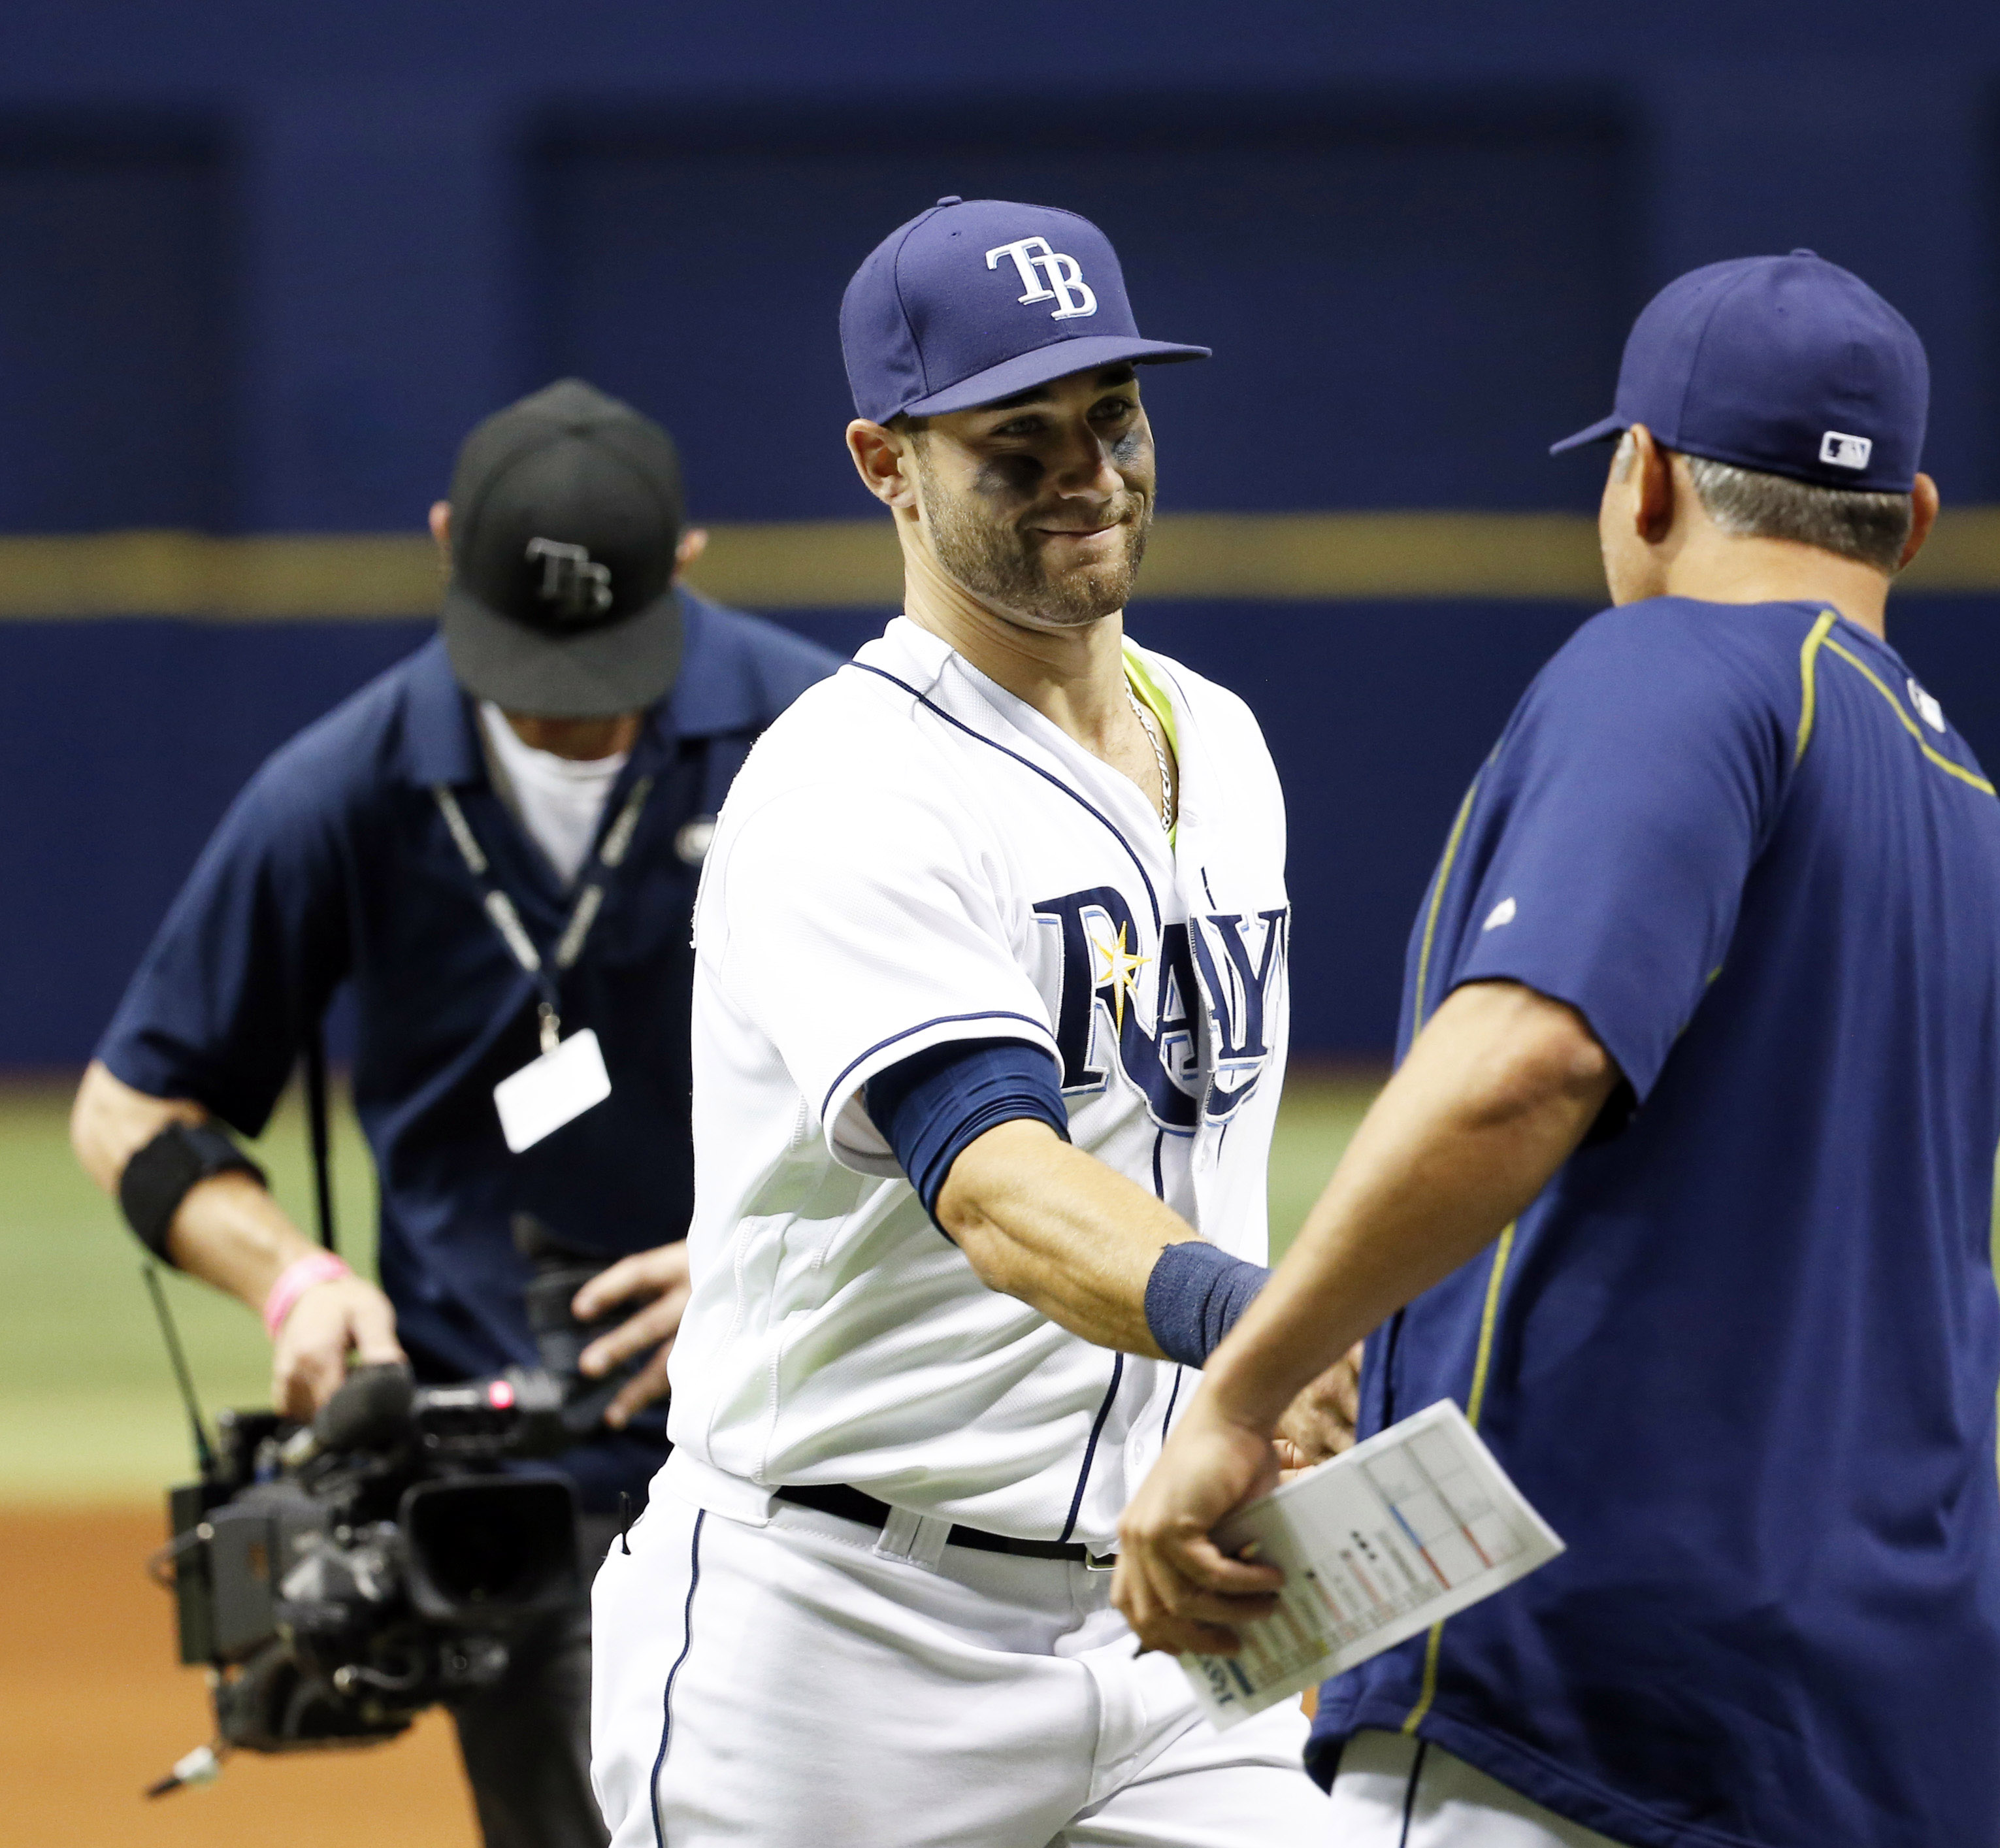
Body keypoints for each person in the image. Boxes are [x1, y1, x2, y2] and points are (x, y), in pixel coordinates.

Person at [1115, 251, 2000, 1848]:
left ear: (1648, 477)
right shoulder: (1979, 826)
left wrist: (1243, 1385)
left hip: (1596, 1688)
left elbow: (1520, 1064)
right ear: (1913, 516)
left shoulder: (1672, 667)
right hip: (1889, 1712)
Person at [587, 197, 1336, 1847]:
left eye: (1113, 416)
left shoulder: (1224, 744)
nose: (1090, 471)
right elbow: (994, 1175)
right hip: (836, 1644)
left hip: (1162, 1634)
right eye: (1020, 441)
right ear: (886, 463)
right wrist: (1258, 1329)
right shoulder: (849, 779)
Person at [69, 378, 840, 1848]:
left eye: (603, 658)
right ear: (439, 548)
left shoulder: (824, 744)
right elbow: (127, 1105)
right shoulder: (342, 789)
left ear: (686, 559)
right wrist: (293, 1281)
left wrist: (767, 1260)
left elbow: (1019, 1083)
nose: (560, 708)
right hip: (517, 1490)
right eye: (526, 659)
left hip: (814, 1433)